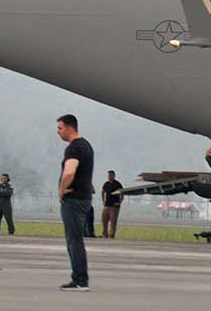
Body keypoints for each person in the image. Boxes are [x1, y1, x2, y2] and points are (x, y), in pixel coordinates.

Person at [56, 114, 95, 292]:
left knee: (74, 240)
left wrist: (62, 190)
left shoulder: (73, 148)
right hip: (85, 197)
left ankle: (79, 279)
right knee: (75, 239)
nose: (58, 132)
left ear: (70, 128)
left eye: (60, 128)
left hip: (74, 198)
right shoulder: (86, 145)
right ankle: (80, 278)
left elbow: (69, 172)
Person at [101, 170, 124, 239]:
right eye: (108, 175)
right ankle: (105, 234)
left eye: (111, 175)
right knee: (104, 220)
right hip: (107, 205)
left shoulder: (117, 184)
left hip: (114, 206)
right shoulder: (106, 184)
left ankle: (111, 235)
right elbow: (102, 191)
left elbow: (122, 193)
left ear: (114, 175)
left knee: (113, 221)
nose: (109, 177)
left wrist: (119, 202)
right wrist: (103, 200)